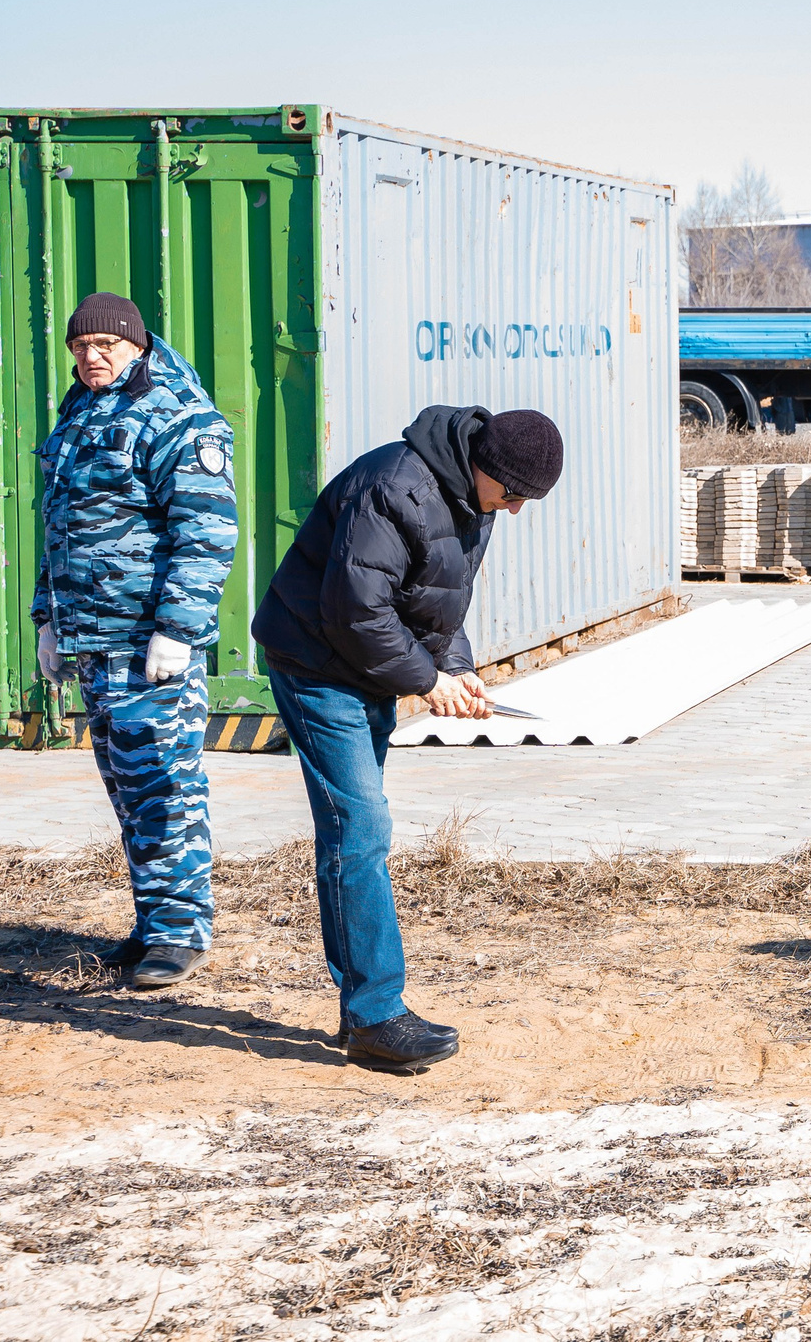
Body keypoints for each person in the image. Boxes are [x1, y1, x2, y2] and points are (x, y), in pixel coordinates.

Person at [252, 405, 563, 1073]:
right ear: (487, 467)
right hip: (317, 665)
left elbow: (438, 598)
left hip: (363, 669)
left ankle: (362, 1005)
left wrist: (456, 668)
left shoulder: (468, 498)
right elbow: (356, 609)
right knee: (361, 827)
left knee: (353, 833)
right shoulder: (394, 488)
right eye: (513, 495)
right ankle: (374, 1015)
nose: (513, 511)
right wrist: (426, 679)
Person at [34, 294, 238, 990]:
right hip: (94, 640)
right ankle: (153, 923)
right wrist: (46, 619)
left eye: (104, 345)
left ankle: (181, 930)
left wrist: (178, 630)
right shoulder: (79, 413)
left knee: (165, 783)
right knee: (128, 791)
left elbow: (207, 532)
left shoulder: (177, 417)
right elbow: (58, 522)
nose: (91, 357)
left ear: (135, 344)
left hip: (148, 644)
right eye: (80, 347)